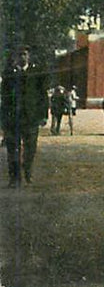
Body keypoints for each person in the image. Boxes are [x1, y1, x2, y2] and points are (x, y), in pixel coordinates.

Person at [2, 47, 49, 187]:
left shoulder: (36, 73)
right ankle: (14, 178)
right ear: (16, 57)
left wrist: (44, 115)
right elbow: (4, 98)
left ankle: (27, 171)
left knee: (30, 148)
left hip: (31, 118)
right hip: (13, 119)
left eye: (25, 54)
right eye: (19, 54)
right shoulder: (9, 74)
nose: (22, 57)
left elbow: (43, 96)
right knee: (12, 149)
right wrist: (2, 119)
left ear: (29, 56)